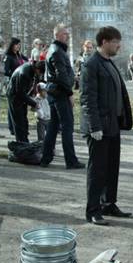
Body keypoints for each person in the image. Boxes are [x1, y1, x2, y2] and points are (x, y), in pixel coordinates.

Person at [80, 26, 133, 226]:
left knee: (111, 168)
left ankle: (109, 203)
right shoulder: (91, 64)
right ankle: (93, 210)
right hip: (98, 128)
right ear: (104, 42)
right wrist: (94, 126)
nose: (118, 45)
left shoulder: (109, 63)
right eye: (115, 42)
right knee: (97, 170)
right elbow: (87, 98)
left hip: (112, 126)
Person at [40, 24, 85, 170]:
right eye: (65, 34)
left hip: (55, 93)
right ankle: (70, 161)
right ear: (58, 35)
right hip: (60, 94)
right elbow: (61, 76)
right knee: (67, 127)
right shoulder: (57, 51)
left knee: (53, 127)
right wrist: (70, 93)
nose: (68, 36)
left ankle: (45, 158)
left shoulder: (55, 50)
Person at [7, 61, 46, 142]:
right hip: (14, 97)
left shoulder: (32, 70)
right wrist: (34, 103)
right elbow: (20, 93)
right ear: (38, 69)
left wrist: (32, 98)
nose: (40, 75)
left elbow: (31, 87)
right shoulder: (24, 74)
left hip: (22, 96)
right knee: (19, 121)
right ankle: (21, 143)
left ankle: (24, 140)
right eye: (41, 73)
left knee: (24, 119)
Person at [4, 37, 28, 135]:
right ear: (12, 45)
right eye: (16, 44)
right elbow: (6, 71)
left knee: (20, 106)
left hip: (21, 84)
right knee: (12, 106)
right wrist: (15, 75)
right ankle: (12, 127)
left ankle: (21, 126)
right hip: (13, 83)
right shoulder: (9, 56)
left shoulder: (20, 56)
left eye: (19, 44)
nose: (18, 46)